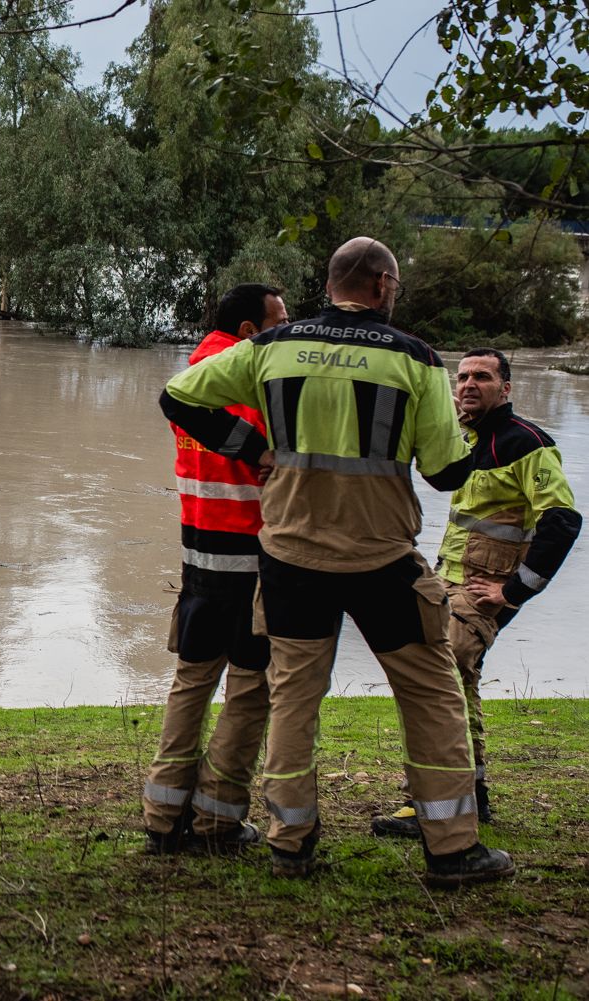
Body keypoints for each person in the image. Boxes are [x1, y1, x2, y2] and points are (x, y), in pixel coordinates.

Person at [160, 237, 514, 888]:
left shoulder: (274, 346)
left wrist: (254, 446)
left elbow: (179, 396)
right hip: (382, 556)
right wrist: (478, 439)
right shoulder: (414, 359)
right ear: (381, 285)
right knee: (432, 693)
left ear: (332, 284)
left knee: (293, 698)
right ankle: (452, 847)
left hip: (290, 555)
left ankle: (290, 841)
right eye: (395, 285)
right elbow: (441, 472)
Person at [373, 348, 580, 837]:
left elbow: (563, 520)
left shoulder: (528, 443)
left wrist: (514, 591)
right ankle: (475, 796)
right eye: (462, 376)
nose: (468, 384)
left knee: (433, 677)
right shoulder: (466, 437)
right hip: (450, 580)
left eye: (482, 377)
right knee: (458, 682)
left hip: (485, 591)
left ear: (506, 388)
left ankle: (429, 804)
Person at [143, 284, 286, 855]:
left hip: (199, 556)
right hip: (253, 560)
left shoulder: (194, 372)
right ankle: (217, 823)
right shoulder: (251, 380)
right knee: (249, 692)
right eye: (279, 319)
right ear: (251, 332)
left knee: (191, 685)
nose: (286, 328)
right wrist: (260, 450)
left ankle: (161, 816)